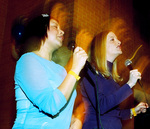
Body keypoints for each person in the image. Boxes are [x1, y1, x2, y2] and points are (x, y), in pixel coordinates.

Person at [12, 14, 88, 129]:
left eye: (60, 28)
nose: (62, 31)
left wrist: (74, 120)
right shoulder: (27, 60)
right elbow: (51, 105)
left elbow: (62, 109)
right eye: (55, 26)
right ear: (40, 29)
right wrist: (75, 69)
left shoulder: (61, 69)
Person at [80, 30, 149, 129]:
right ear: (101, 47)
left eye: (117, 39)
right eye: (112, 39)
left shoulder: (113, 80)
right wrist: (129, 84)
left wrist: (133, 111)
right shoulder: (89, 71)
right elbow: (102, 106)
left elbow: (113, 113)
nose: (119, 42)